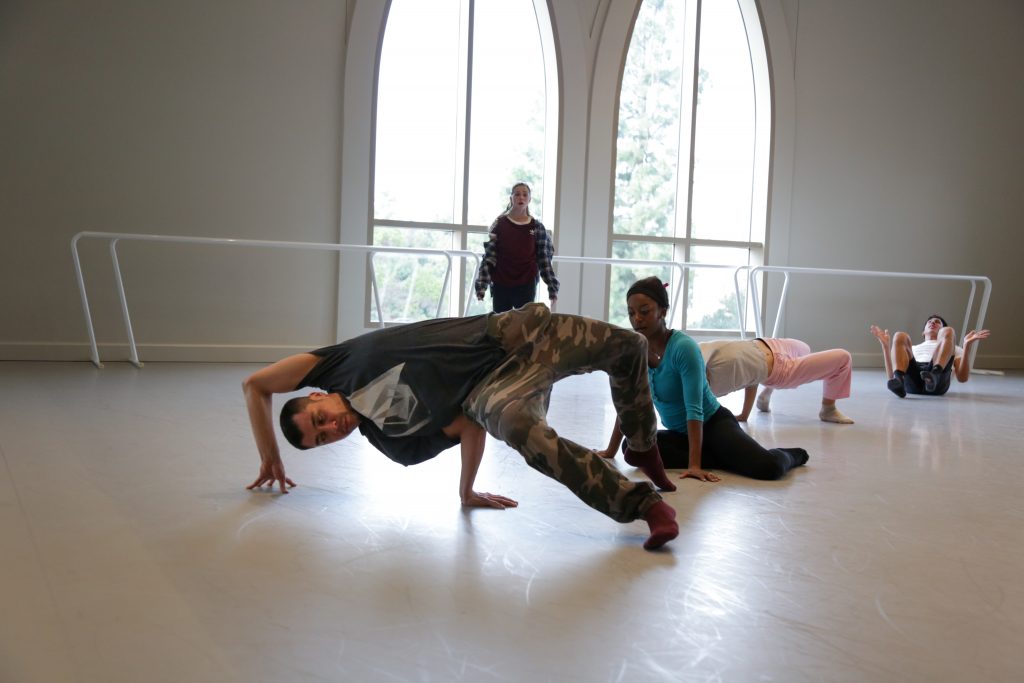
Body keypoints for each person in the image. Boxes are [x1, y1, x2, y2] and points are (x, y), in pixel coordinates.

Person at [243, 303, 679, 550]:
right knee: (519, 429)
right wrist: (467, 489)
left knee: (630, 346)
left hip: (514, 334)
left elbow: (256, 384)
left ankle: (642, 447)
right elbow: (470, 426)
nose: (332, 427)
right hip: (495, 388)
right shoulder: (395, 441)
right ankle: (645, 507)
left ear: (318, 396)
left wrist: (270, 458)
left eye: (320, 419)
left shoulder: (334, 364)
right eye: (324, 439)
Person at [598, 277, 809, 482]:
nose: (637, 319)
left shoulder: (683, 348)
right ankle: (725, 457)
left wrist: (694, 466)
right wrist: (610, 451)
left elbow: (694, 407)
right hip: (680, 434)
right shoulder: (637, 350)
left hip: (714, 424)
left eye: (645, 311)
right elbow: (628, 406)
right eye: (631, 313)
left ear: (662, 311)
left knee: (768, 468)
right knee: (632, 450)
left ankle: (792, 454)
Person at [699, 338, 854, 423]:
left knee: (805, 348)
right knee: (843, 358)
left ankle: (766, 393)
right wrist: (743, 415)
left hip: (767, 343)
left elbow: (749, 372)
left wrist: (745, 414)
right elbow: (750, 375)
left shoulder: (694, 353)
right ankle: (828, 409)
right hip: (780, 370)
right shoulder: (704, 391)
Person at [474, 182, 559, 312]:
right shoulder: (500, 224)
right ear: (511, 198)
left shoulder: (536, 227)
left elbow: (544, 259)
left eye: (525, 195)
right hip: (501, 282)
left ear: (529, 199)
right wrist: (481, 285)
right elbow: (490, 257)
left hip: (526, 283)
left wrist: (552, 287)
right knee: (500, 326)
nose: (521, 198)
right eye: (517, 194)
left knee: (523, 326)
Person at [869, 315, 990, 397]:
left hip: (937, 380)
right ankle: (900, 382)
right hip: (912, 383)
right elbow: (890, 376)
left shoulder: (953, 348)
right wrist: (885, 347)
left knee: (950, 330)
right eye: (930, 322)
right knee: (900, 335)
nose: (933, 322)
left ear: (941, 331)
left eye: (938, 322)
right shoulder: (913, 348)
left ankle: (934, 375)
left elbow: (962, 378)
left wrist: (966, 345)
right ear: (923, 331)